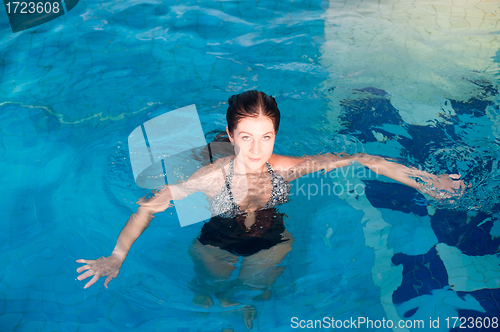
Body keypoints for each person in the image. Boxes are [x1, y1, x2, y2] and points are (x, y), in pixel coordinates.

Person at [76, 90, 467, 327]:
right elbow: (148, 206)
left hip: (272, 240)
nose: (256, 149)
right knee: (209, 287)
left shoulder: (289, 167)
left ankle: (235, 310)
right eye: (245, 137)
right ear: (232, 136)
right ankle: (212, 297)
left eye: (266, 137)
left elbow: (363, 158)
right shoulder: (211, 178)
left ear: (275, 136)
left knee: (251, 294)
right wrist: (116, 256)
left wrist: (430, 181)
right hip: (215, 240)